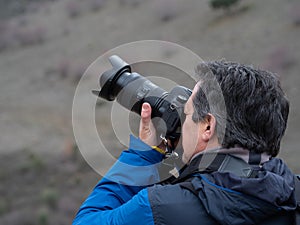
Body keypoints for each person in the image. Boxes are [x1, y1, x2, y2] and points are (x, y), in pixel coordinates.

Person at [73, 61, 296, 225]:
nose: (183, 122)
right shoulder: (292, 192)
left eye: (187, 114)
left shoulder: (162, 209)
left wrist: (143, 155)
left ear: (208, 127)